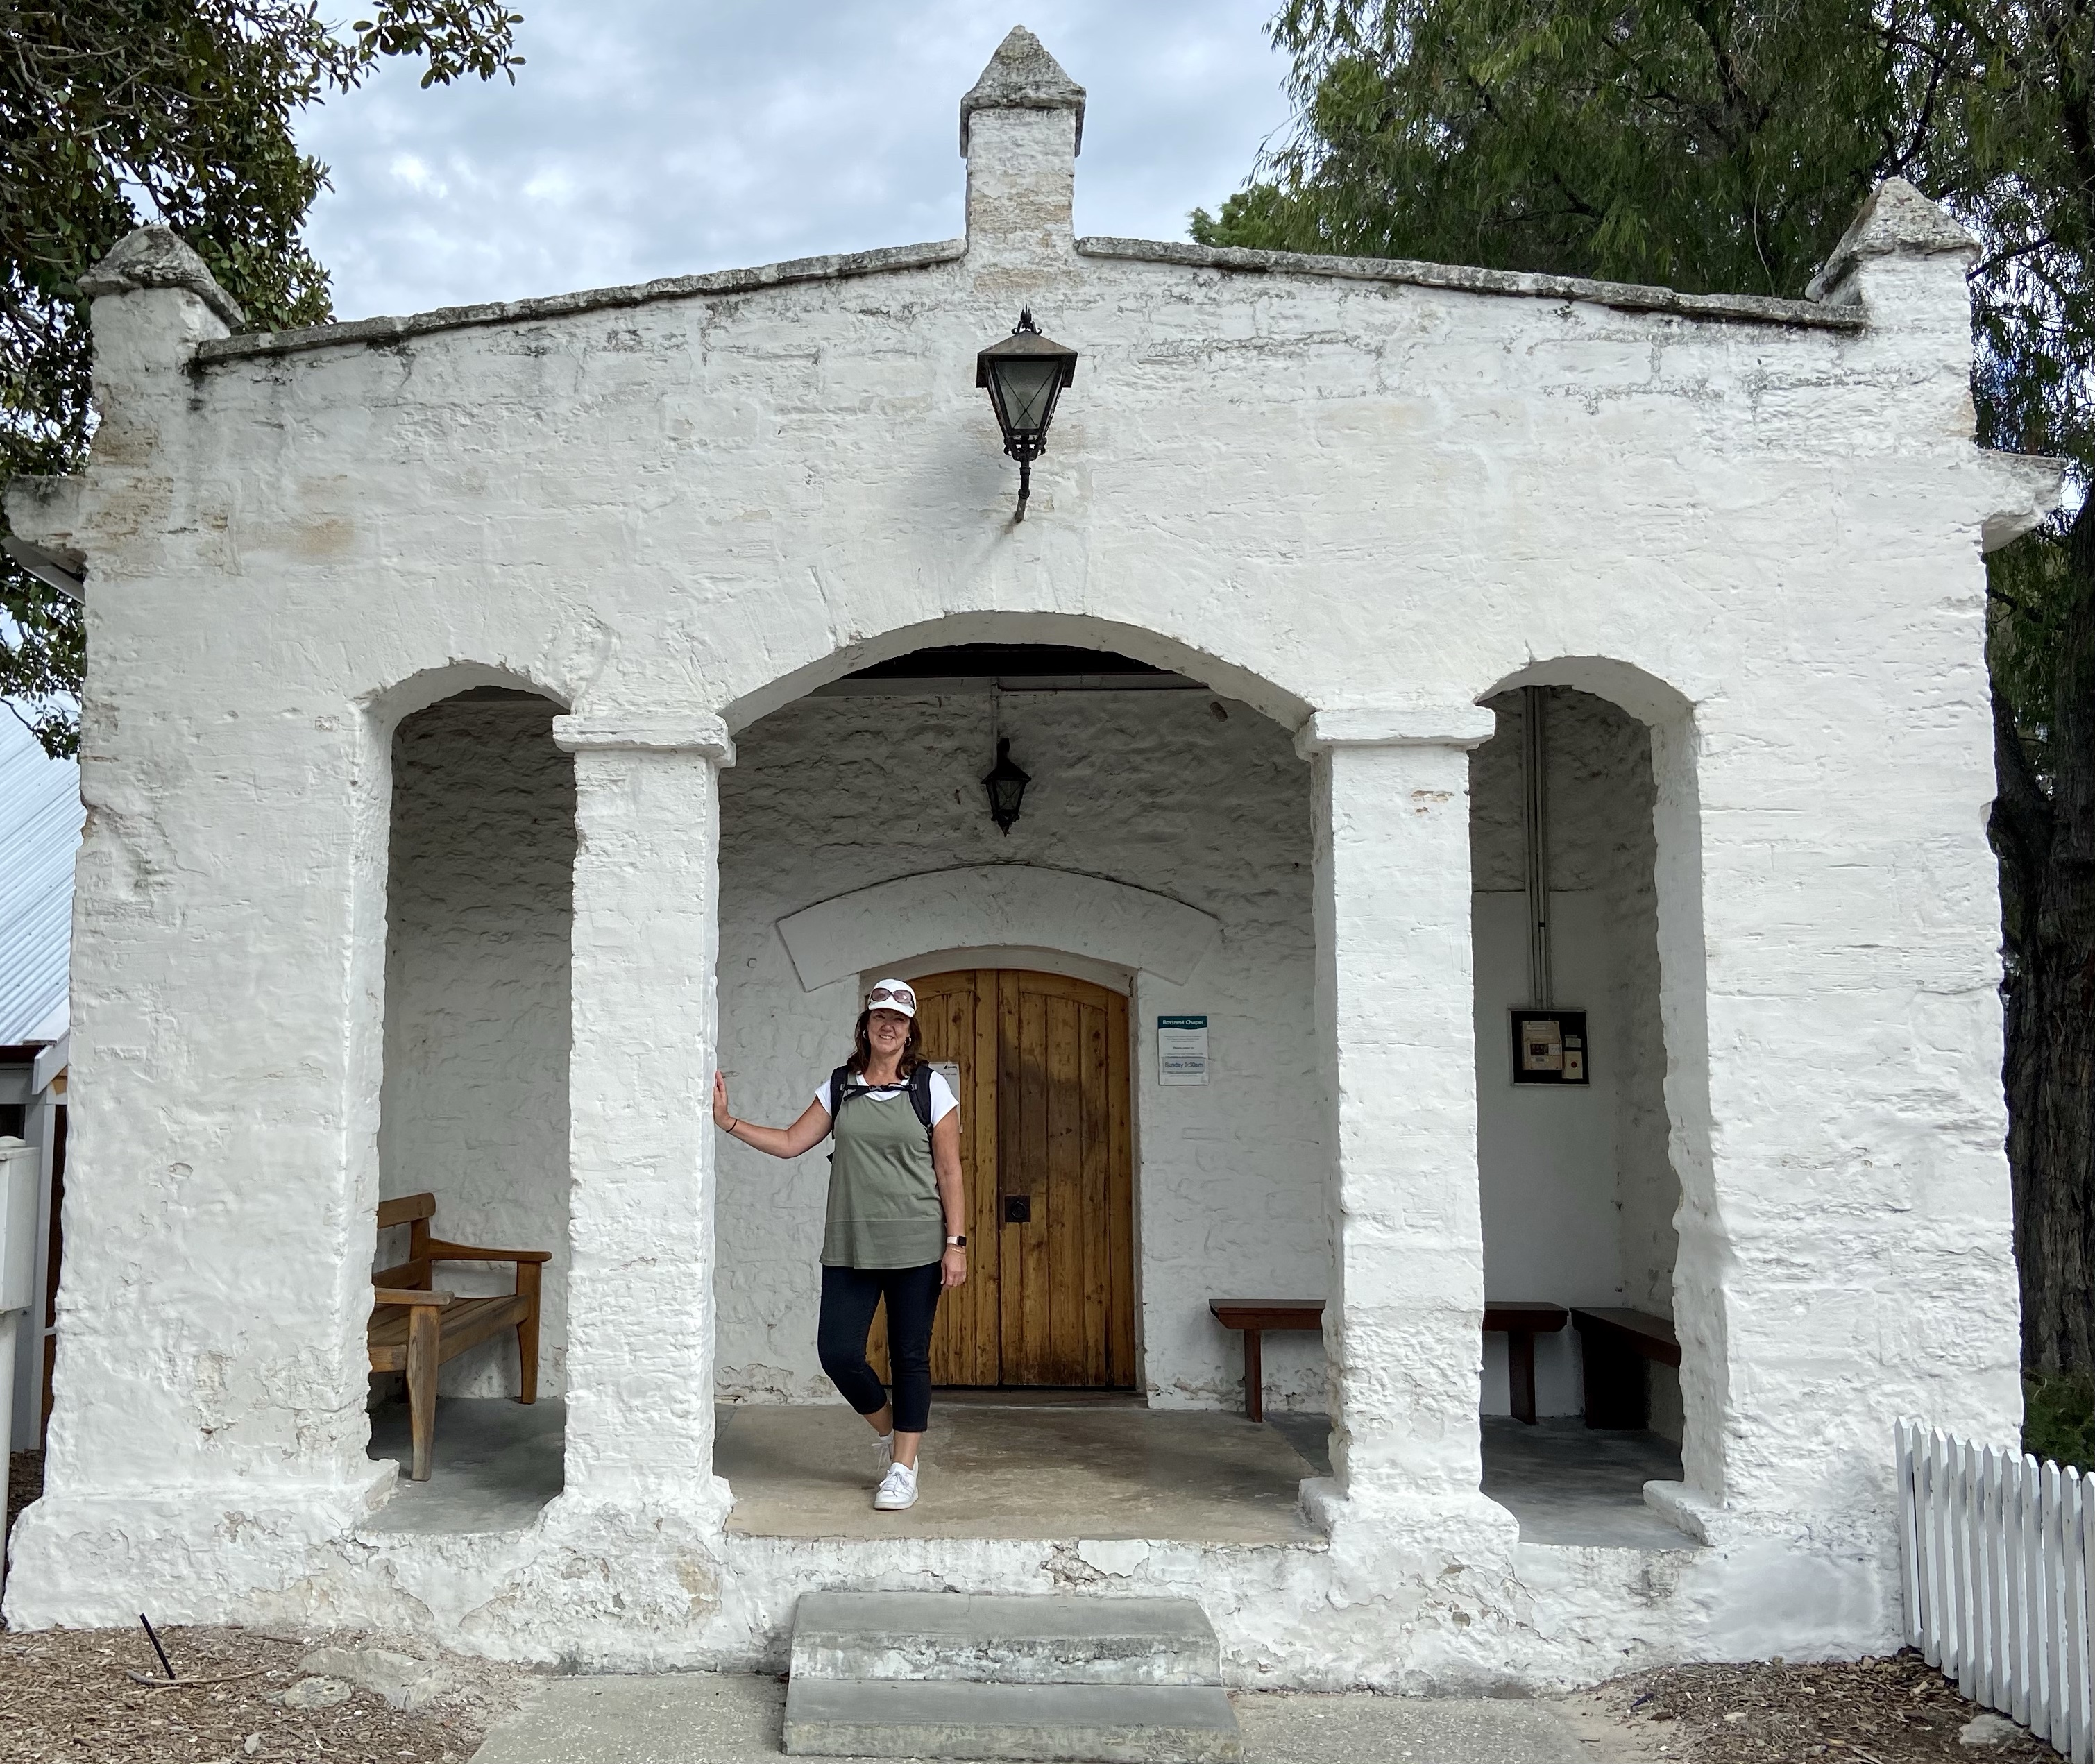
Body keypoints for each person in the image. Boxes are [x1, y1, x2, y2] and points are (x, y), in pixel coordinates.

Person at [711, 978, 967, 1511]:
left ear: (910, 1029)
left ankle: (903, 1467)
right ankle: (891, 1435)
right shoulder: (839, 1086)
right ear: (866, 1025)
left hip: (917, 1244)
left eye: (898, 1018)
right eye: (879, 1016)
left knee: (909, 1356)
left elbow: (949, 1170)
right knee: (839, 1353)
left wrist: (956, 1243)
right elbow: (790, 1142)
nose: (888, 1026)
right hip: (851, 1245)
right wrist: (728, 1122)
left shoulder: (930, 1088)